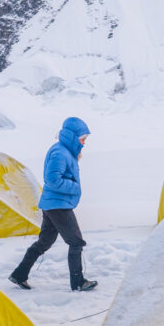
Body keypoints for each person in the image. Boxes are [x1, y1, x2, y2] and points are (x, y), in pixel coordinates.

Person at [9, 117, 98, 292]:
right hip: (59, 206)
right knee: (76, 242)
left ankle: (19, 274)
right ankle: (78, 282)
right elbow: (52, 180)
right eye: (82, 139)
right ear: (73, 137)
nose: (84, 143)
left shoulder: (63, 150)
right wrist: (75, 186)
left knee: (44, 242)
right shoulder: (60, 153)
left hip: (52, 205)